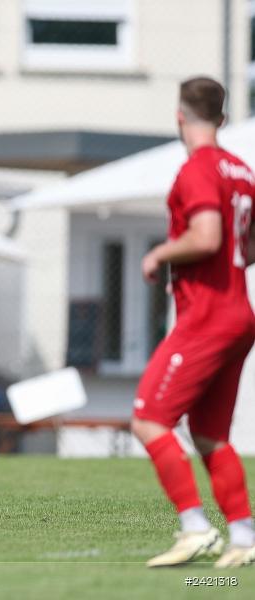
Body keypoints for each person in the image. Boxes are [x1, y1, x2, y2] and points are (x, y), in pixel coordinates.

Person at [132, 76, 255, 568]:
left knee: (147, 419)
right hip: (238, 312)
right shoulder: (242, 170)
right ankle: (244, 537)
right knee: (208, 435)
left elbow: (206, 236)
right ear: (222, 119)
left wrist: (161, 253)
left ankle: (195, 527)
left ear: (179, 116)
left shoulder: (198, 169)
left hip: (206, 315)